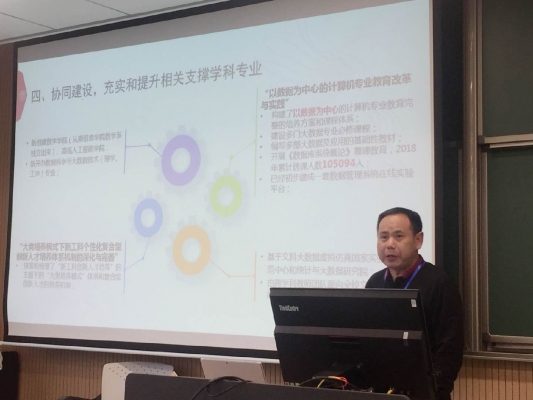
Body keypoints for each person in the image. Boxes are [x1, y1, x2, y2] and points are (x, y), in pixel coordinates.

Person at [365, 207, 463, 400]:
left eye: (398, 236)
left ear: (418, 240)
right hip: (381, 391)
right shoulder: (374, 283)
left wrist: (432, 391)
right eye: (383, 237)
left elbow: (449, 350)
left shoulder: (439, 284)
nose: (390, 244)